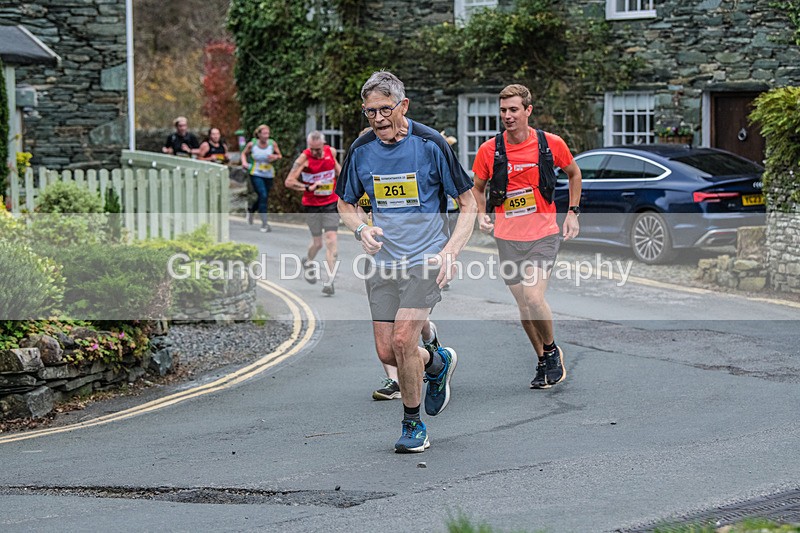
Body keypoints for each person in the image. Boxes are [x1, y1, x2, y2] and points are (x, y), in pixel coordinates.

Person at [336, 71, 477, 453]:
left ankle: (413, 425)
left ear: (404, 105)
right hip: (384, 262)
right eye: (370, 112)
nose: (378, 119)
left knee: (402, 340)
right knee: (387, 353)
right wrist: (360, 229)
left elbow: (469, 203)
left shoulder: (430, 143)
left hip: (426, 259)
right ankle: (437, 361)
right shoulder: (361, 149)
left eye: (385, 109)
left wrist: (450, 252)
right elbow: (345, 203)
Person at [471, 84, 582, 390]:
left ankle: (550, 350)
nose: (507, 116)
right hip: (507, 237)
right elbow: (477, 188)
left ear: (528, 111)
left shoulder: (550, 143)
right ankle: (543, 359)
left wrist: (573, 212)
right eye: (503, 110)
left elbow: (574, 174)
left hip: (543, 233)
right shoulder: (489, 150)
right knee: (523, 306)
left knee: (534, 297)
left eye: (514, 110)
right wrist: (482, 213)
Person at [284, 130, 342, 296]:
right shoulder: (304, 158)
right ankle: (308, 261)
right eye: (313, 149)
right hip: (312, 205)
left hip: (331, 202)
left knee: (331, 239)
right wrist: (307, 188)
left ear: (323, 144)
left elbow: (339, 170)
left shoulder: (331, 152)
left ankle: (329, 281)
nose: (316, 152)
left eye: (318, 149)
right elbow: (289, 181)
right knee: (318, 243)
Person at [242, 124, 282, 232]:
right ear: (258, 134)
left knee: (263, 197)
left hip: (268, 173)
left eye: (268, 133)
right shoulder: (252, 144)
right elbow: (244, 154)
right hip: (255, 173)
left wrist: (275, 157)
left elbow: (279, 155)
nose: (266, 136)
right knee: (262, 194)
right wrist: (244, 162)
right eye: (264, 133)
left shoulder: (272, 144)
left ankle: (251, 210)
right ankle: (265, 224)